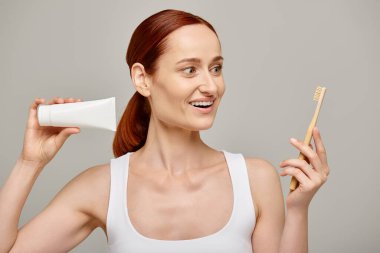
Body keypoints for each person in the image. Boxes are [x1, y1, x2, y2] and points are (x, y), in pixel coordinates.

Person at [0, 9, 329, 253]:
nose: (211, 85)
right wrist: (29, 164)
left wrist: (298, 210)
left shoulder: (255, 179)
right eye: (190, 70)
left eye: (216, 68)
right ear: (143, 79)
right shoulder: (101, 187)